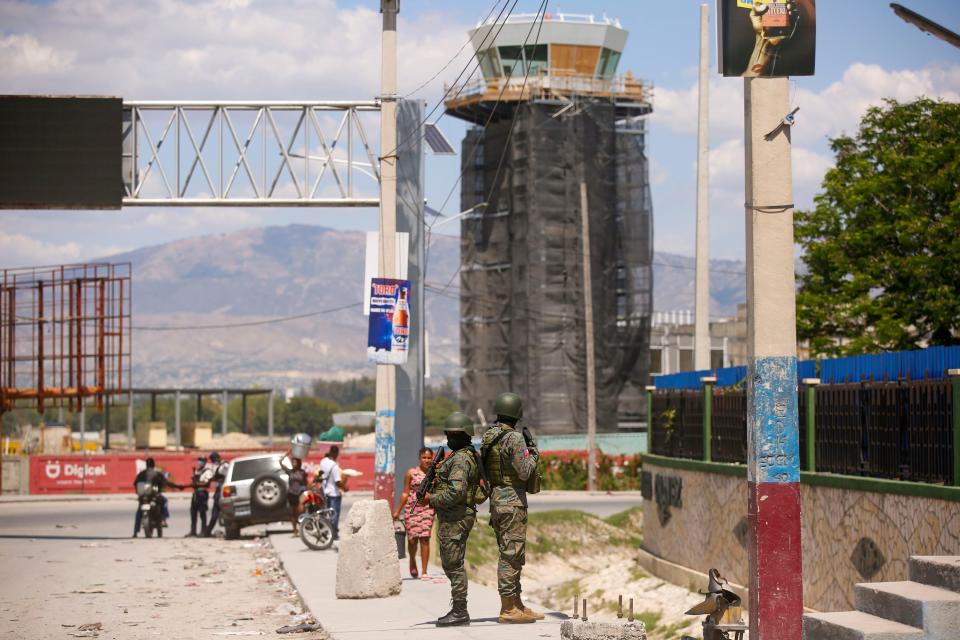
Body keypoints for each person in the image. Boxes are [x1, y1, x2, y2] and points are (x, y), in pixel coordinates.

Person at [480, 392, 542, 624]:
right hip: (512, 501)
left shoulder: (489, 436)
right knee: (510, 554)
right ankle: (508, 608)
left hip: (497, 499)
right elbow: (524, 471)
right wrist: (534, 455)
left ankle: (516, 603)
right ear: (517, 413)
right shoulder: (514, 438)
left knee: (513, 552)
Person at [421, 412, 481, 627]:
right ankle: (458, 608)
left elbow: (456, 492)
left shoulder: (461, 459)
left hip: (457, 517)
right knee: (451, 564)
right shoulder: (460, 456)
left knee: (454, 565)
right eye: (447, 435)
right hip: (453, 516)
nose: (448, 439)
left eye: (452, 435)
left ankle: (459, 611)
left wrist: (431, 499)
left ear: (462, 436)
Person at [392, 447, 437, 578]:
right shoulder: (411, 473)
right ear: (419, 458)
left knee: (425, 538)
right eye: (424, 457)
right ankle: (412, 559)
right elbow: (405, 493)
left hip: (428, 508)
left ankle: (424, 571)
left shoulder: (435, 474)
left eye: (429, 458)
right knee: (412, 540)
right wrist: (397, 511)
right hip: (412, 508)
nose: (427, 460)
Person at [133, 457, 169, 537]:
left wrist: (138, 493)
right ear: (153, 464)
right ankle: (163, 519)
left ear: (146, 465)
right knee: (165, 501)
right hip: (153, 496)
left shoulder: (141, 474)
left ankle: (135, 531)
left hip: (143, 496)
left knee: (139, 512)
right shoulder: (157, 473)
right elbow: (164, 483)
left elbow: (135, 483)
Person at [317, 445, 347, 538]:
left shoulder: (323, 462)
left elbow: (320, 474)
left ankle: (326, 532)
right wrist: (345, 488)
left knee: (327, 514)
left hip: (325, 492)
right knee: (334, 515)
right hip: (334, 494)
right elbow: (337, 482)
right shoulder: (334, 466)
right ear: (336, 453)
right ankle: (333, 534)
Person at [185, 456, 214, 537]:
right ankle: (193, 531)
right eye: (199, 460)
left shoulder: (207, 471)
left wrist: (197, 484)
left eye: (201, 460)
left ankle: (203, 531)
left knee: (202, 512)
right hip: (196, 493)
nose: (199, 462)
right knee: (193, 512)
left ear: (205, 462)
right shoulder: (197, 471)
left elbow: (207, 483)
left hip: (202, 493)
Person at [203, 451, 227, 537]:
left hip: (224, 491)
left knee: (226, 514)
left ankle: (228, 532)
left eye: (214, 458)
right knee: (214, 514)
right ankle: (207, 532)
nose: (213, 460)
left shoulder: (224, 465)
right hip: (218, 492)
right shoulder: (215, 466)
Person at [285, 457, 308, 535]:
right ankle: (294, 530)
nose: (294, 464)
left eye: (295, 462)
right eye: (293, 462)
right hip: (291, 494)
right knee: (292, 514)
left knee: (300, 512)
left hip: (300, 494)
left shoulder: (302, 472)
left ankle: (301, 529)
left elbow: (305, 483)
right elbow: (280, 463)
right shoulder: (290, 472)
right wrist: (288, 453)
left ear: (299, 463)